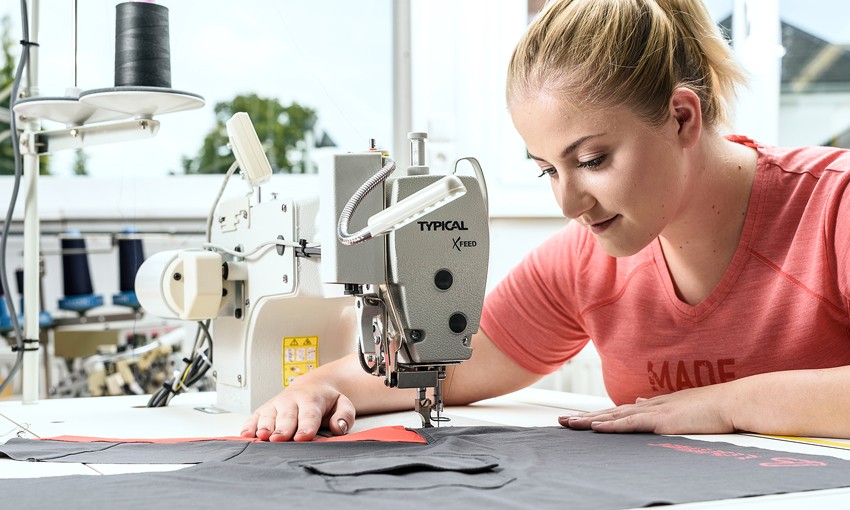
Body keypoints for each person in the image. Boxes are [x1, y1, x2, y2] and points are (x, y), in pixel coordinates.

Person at [241, 0, 850, 442]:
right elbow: (450, 363)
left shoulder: (832, 208)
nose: (568, 203)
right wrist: (318, 385)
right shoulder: (586, 258)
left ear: (682, 118)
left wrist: (724, 405)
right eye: (546, 170)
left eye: (591, 160)